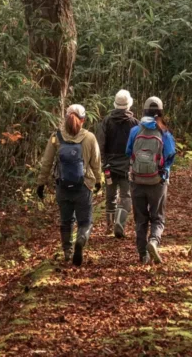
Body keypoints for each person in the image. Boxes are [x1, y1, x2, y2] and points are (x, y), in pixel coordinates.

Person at [36, 103, 102, 267]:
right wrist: (99, 181)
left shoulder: (55, 137)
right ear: (84, 120)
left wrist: (41, 183)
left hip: (62, 187)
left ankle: (67, 252)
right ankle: (80, 240)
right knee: (85, 221)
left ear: (65, 119)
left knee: (66, 221)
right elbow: (96, 163)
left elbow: (47, 162)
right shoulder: (89, 138)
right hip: (84, 186)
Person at [126, 96, 176, 264]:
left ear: (145, 111)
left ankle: (142, 255)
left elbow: (128, 152)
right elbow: (170, 155)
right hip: (157, 181)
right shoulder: (164, 132)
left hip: (137, 181)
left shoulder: (135, 130)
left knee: (140, 219)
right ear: (160, 112)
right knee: (158, 217)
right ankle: (153, 241)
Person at [99, 89, 138, 239]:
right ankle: (119, 224)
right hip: (128, 166)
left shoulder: (107, 121)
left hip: (109, 165)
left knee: (110, 196)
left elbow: (100, 144)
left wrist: (104, 163)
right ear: (128, 105)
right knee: (126, 196)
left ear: (115, 104)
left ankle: (109, 228)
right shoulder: (135, 123)